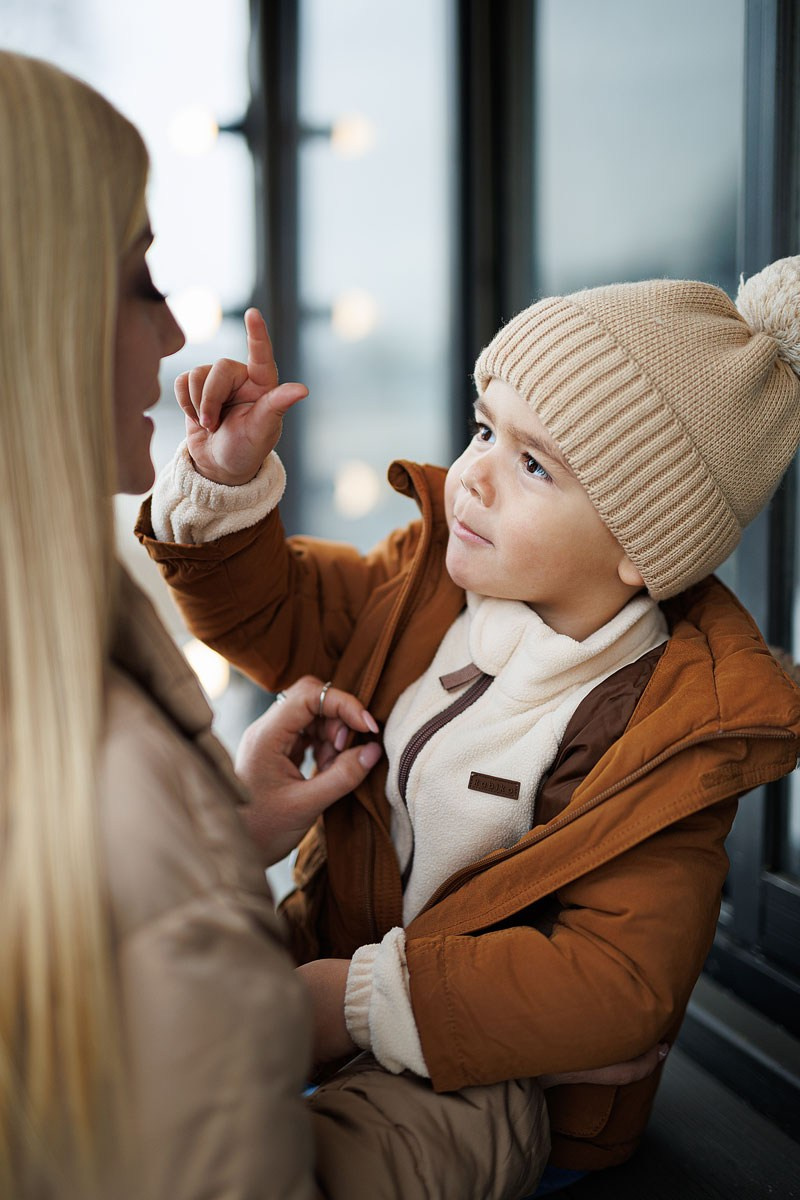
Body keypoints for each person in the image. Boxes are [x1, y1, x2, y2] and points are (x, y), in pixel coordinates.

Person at [0, 49, 576, 1200]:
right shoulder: (396, 587)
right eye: (137, 278)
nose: (173, 331)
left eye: (534, 462)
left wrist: (217, 833)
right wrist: (490, 1093)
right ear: (42, 313)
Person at [138, 252, 800, 1187]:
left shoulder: (665, 733)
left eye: (533, 465)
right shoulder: (430, 585)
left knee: (323, 1164)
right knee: (149, 1044)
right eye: (484, 428)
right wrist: (223, 486)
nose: (474, 477)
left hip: (491, 1078)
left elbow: (618, 981)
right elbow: (276, 613)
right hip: (320, 978)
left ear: (642, 548)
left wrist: (353, 1002)